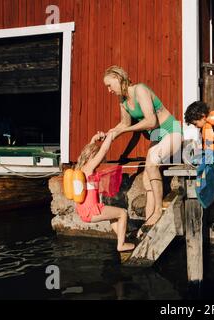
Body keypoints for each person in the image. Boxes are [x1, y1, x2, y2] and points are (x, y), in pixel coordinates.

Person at [103, 66, 183, 231]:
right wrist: (110, 134)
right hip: (157, 137)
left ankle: (158, 211)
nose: (109, 90)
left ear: (119, 79)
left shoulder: (140, 90)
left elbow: (151, 122)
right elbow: (124, 124)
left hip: (172, 131)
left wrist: (123, 131)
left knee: (152, 164)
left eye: (109, 85)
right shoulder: (123, 102)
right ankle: (148, 222)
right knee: (147, 177)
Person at [75, 131, 135, 252]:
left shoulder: (80, 167)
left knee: (113, 216)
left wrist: (94, 139)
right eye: (96, 156)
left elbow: (90, 149)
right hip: (92, 210)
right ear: (92, 155)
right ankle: (121, 245)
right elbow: (103, 150)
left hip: (84, 212)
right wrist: (111, 136)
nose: (100, 159)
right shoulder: (90, 167)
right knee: (123, 213)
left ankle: (122, 238)